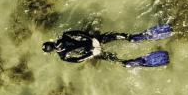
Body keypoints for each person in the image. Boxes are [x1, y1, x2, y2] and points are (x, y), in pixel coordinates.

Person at [42, 25, 172, 67]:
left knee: (120, 62)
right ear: (52, 42)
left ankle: (135, 62)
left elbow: (78, 59)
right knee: (127, 37)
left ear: (52, 51)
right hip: (97, 41)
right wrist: (93, 39)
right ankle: (141, 37)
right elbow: (79, 33)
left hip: (95, 52)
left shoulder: (63, 56)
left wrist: (92, 53)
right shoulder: (64, 36)